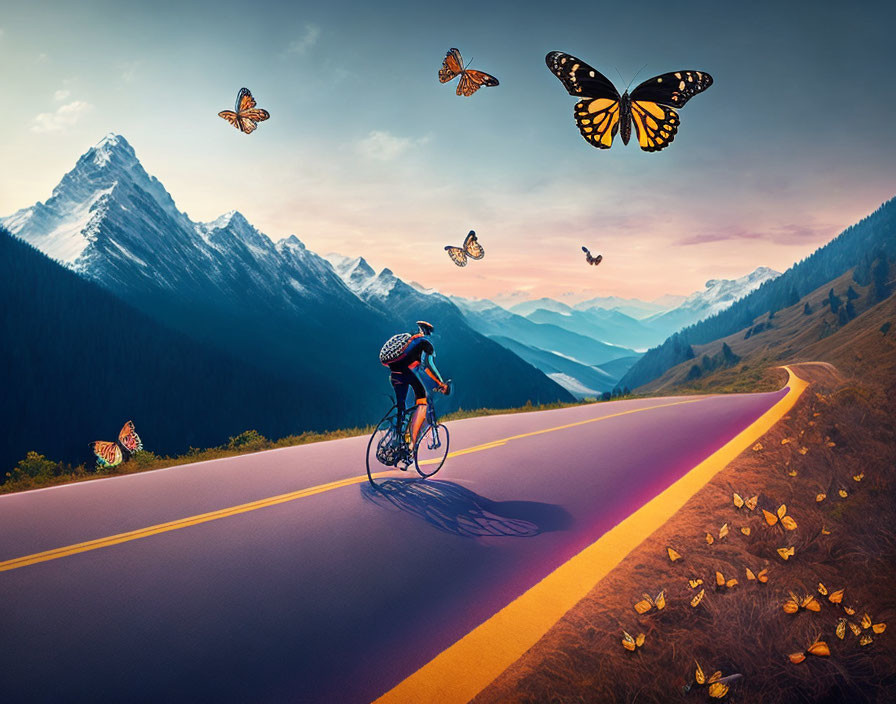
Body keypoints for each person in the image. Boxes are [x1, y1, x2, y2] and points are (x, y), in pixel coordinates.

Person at [385, 321, 449, 455]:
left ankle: (395, 439)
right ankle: (412, 446)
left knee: (402, 407)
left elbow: (415, 366)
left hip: (394, 375)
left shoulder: (409, 340)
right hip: (406, 375)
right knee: (422, 403)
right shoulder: (426, 344)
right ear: (429, 333)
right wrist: (440, 384)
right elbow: (428, 366)